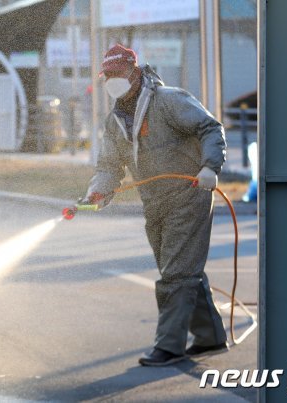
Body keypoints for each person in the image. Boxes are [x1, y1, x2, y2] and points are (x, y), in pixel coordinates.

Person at [82, 44, 228, 366]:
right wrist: (98, 192)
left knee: (175, 274)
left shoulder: (168, 101)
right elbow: (109, 166)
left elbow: (210, 128)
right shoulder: (115, 120)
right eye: (108, 76)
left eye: (119, 74)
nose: (113, 82)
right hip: (155, 203)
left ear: (135, 72)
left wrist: (209, 167)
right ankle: (211, 337)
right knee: (181, 270)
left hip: (188, 195)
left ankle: (169, 347)